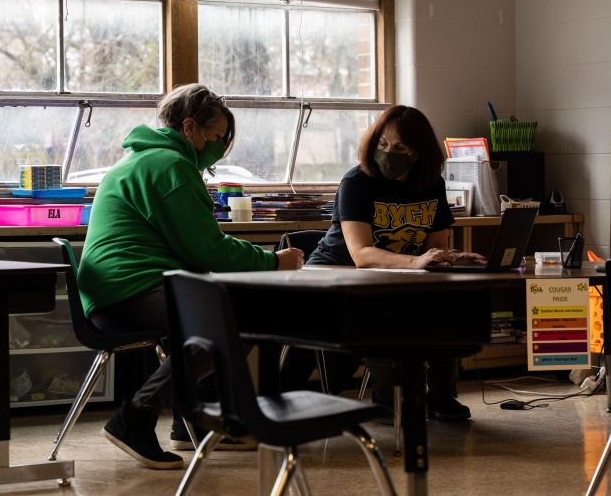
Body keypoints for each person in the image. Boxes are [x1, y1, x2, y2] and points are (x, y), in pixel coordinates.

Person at [77, 84, 305, 469]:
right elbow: (206, 249)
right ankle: (134, 417)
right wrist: (272, 262)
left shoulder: (144, 159)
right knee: (239, 318)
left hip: (117, 291)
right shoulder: (171, 167)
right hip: (130, 293)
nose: (217, 147)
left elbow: (196, 247)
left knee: (216, 313)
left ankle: (192, 424)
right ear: (189, 127)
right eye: (215, 137)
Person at [305, 105, 482, 422]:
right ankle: (389, 401)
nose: (388, 153)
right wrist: (417, 261)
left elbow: (436, 244)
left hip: (396, 275)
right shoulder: (356, 182)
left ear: (417, 152)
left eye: (399, 147)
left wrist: (451, 258)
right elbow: (362, 254)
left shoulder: (431, 183)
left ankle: (441, 397)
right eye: (383, 145)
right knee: (384, 312)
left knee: (450, 302)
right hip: (337, 276)